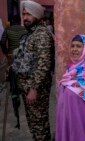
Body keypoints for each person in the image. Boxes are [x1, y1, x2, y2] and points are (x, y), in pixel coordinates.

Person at [11, 0, 54, 140]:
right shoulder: (30, 34)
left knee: (39, 124)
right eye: (23, 14)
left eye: (28, 14)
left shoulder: (41, 34)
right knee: (34, 124)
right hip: (27, 88)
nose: (25, 18)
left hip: (36, 91)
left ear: (36, 15)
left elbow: (44, 65)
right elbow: (24, 57)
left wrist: (34, 89)